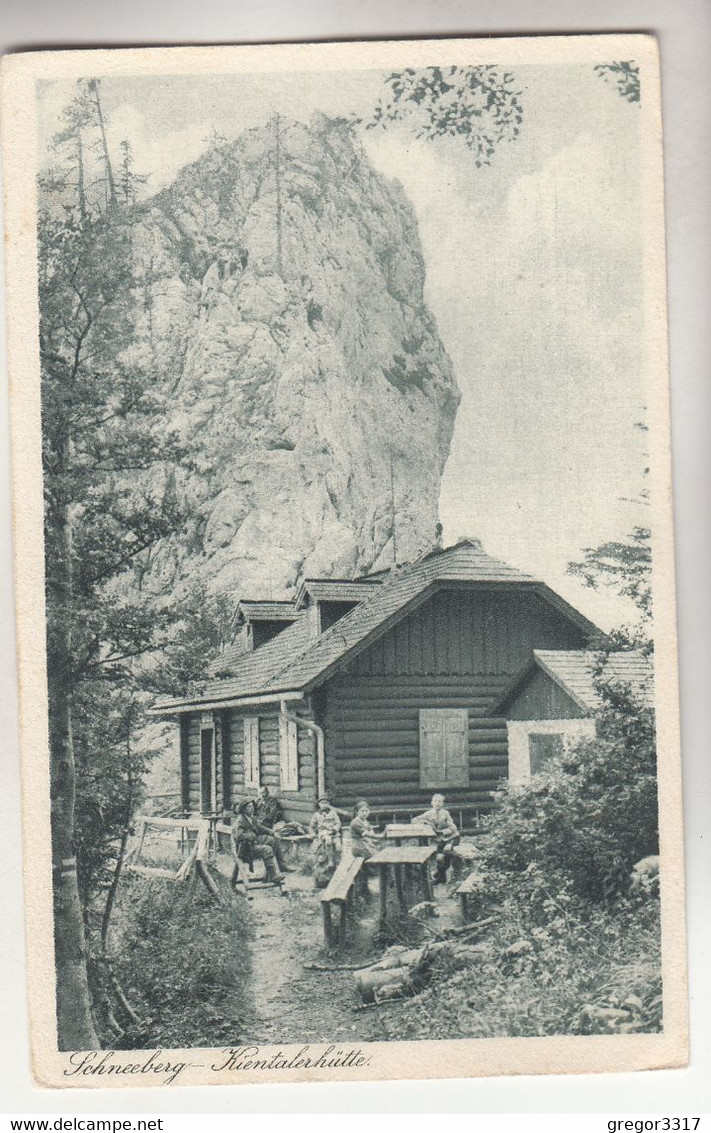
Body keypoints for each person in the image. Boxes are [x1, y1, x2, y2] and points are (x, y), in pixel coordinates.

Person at [230, 799, 284, 886]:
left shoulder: (252, 818)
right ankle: (273, 875)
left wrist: (273, 832)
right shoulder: (240, 820)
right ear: (243, 809)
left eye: (252, 806)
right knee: (267, 849)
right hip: (245, 849)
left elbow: (260, 827)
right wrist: (250, 835)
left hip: (253, 843)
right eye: (249, 807)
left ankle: (272, 871)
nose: (252, 809)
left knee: (274, 840)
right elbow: (238, 836)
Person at [414, 793, 460, 884]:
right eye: (435, 801)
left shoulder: (445, 813)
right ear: (432, 803)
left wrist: (444, 832)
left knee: (447, 854)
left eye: (440, 801)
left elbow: (453, 828)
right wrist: (423, 823)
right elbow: (415, 820)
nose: (437, 803)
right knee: (440, 857)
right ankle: (441, 876)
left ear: (442, 804)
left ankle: (440, 874)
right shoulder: (428, 814)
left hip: (449, 838)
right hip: (437, 840)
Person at [309, 796, 342, 875]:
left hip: (333, 832)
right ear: (319, 804)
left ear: (328, 804)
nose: (324, 805)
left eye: (326, 803)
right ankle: (330, 862)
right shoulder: (316, 814)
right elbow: (311, 826)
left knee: (338, 847)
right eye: (322, 803)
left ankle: (338, 865)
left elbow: (338, 823)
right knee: (328, 841)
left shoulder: (333, 813)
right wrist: (313, 834)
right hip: (323, 833)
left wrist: (334, 830)